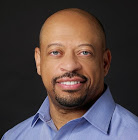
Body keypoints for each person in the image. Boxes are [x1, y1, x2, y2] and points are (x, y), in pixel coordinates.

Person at [2, 8, 138, 140]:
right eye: (55, 52)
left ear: (105, 63)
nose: (70, 66)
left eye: (84, 52)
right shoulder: (13, 137)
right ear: (39, 61)